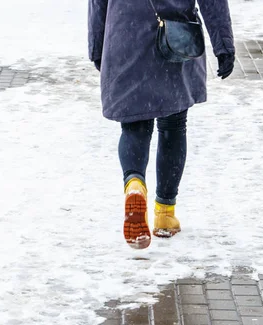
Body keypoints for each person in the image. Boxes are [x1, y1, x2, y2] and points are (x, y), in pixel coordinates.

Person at [88, 0, 235, 249]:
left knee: (134, 125)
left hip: (125, 34)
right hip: (174, 36)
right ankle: (165, 214)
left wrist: (96, 47)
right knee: (174, 125)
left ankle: (134, 184)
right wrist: (224, 46)